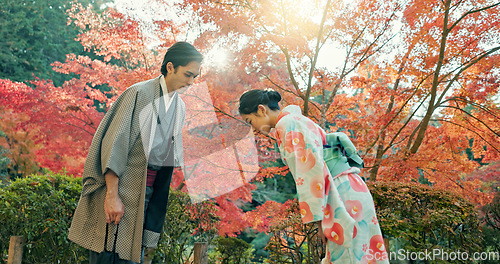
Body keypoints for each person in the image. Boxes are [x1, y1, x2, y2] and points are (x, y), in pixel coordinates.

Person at [68, 41, 203, 263]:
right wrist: (112, 196)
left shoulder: (179, 107)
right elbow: (114, 146)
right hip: (120, 189)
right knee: (108, 255)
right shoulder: (138, 94)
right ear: (170, 67)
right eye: (188, 74)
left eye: (194, 77)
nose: (191, 82)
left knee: (131, 257)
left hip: (146, 193)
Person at [239, 89, 389, 264]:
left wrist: (319, 219)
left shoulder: (288, 123)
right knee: (363, 255)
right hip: (349, 187)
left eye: (250, 121)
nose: (253, 128)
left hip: (340, 192)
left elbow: (308, 171)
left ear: (262, 110)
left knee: (348, 257)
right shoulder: (294, 121)